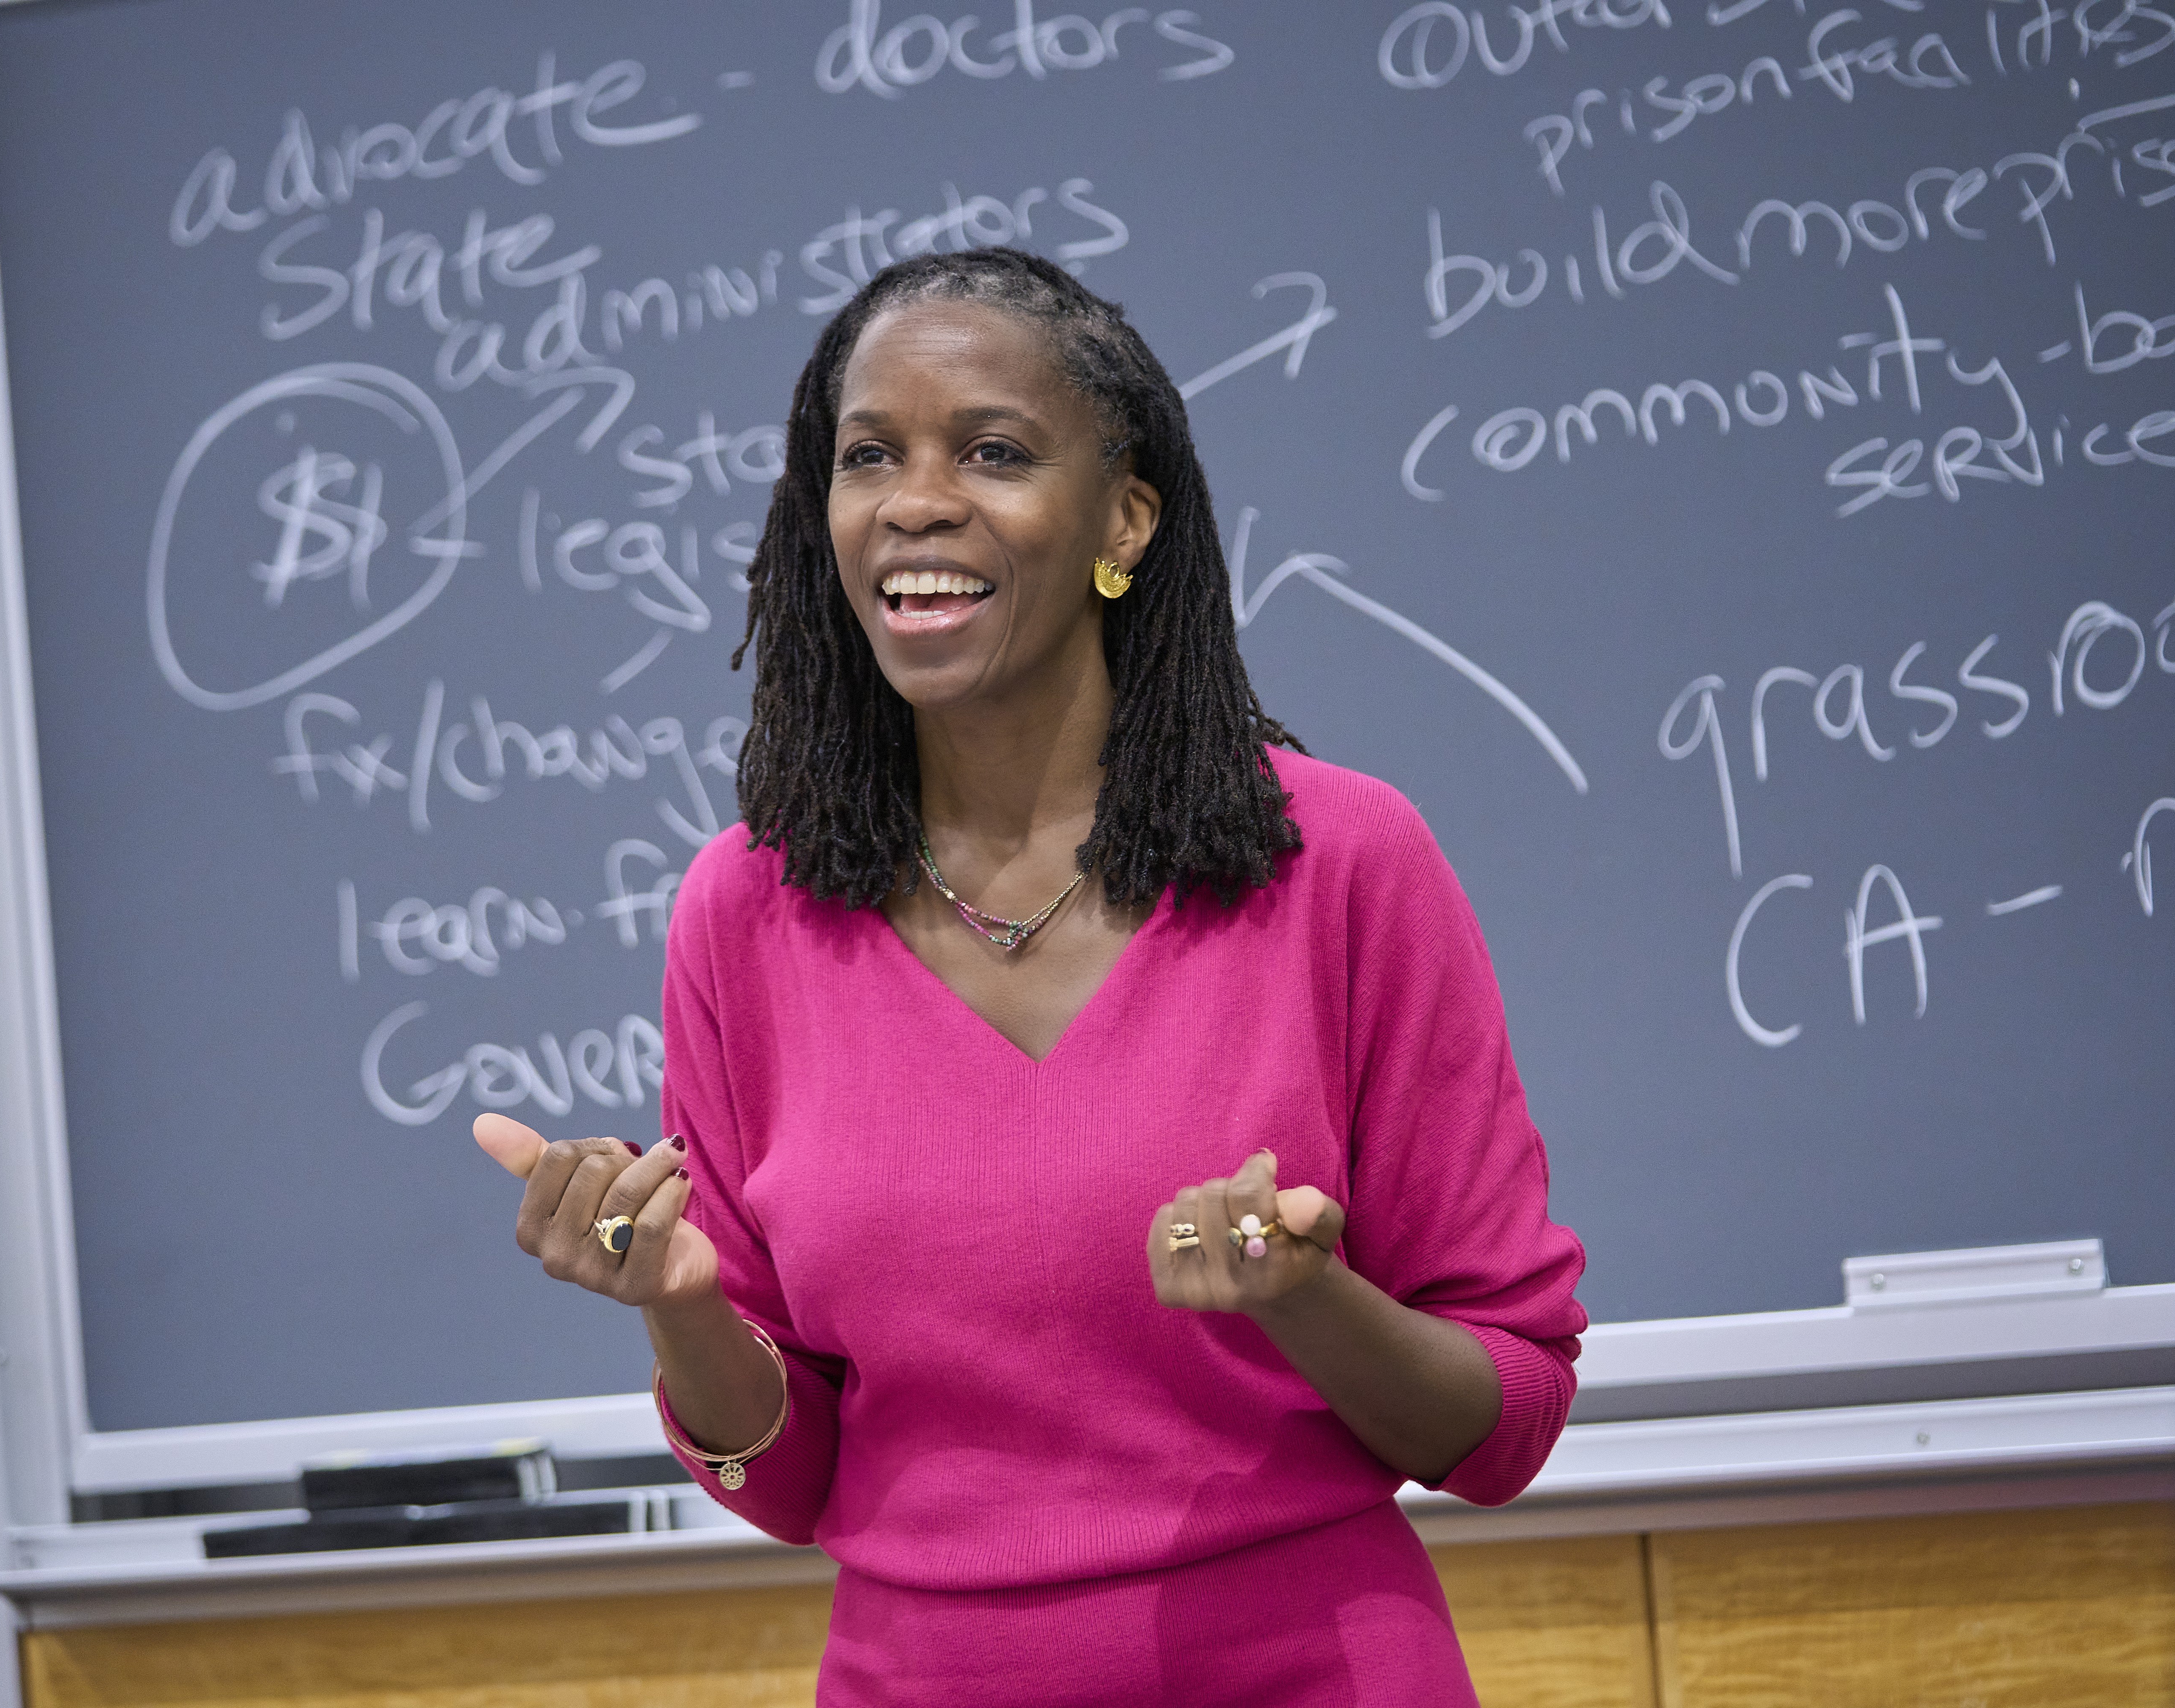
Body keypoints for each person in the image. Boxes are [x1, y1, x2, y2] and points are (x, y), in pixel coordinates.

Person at [494, 246, 1586, 1705]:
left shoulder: (1340, 863)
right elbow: (790, 1479)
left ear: (1122, 519)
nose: (917, 501)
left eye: (993, 453)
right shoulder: (745, 912)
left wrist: (1304, 1298)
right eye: (867, 455)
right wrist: (683, 1307)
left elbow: (1503, 1423)